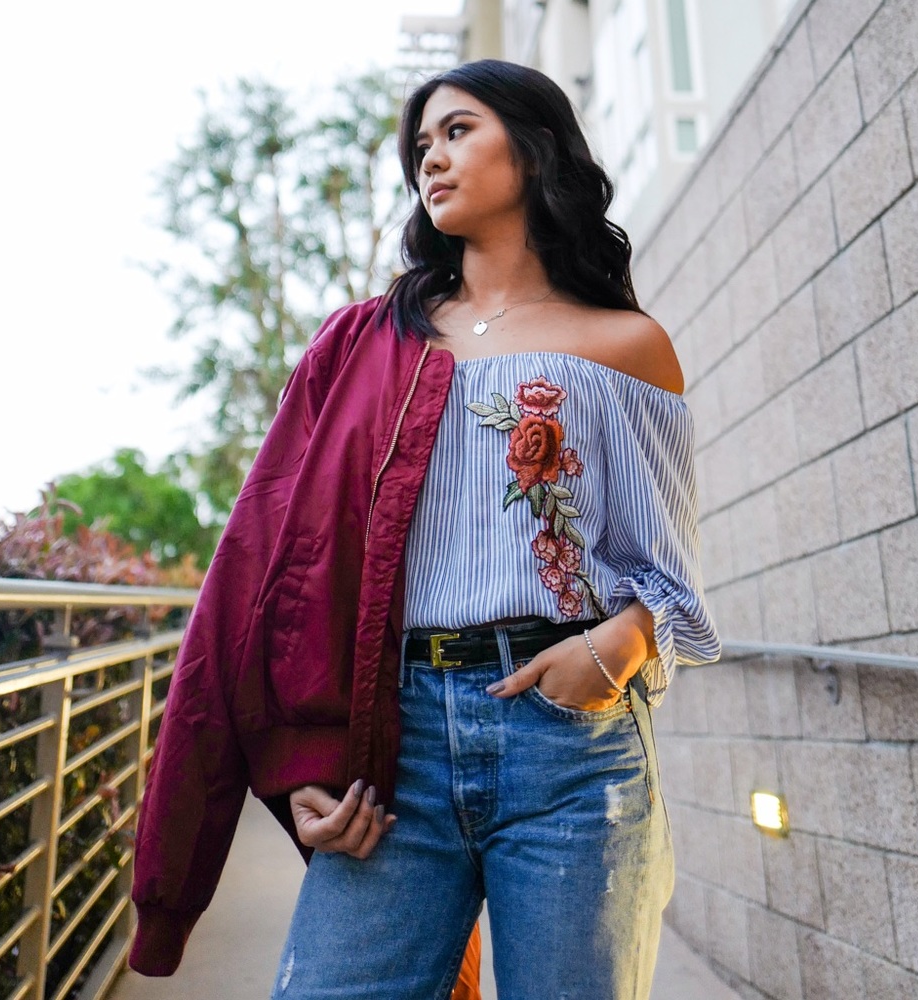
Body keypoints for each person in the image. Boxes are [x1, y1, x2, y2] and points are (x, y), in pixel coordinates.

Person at [128, 59, 720, 1000]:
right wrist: (299, 766)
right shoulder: (366, 343)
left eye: (457, 132)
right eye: (420, 147)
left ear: (533, 146)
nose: (429, 160)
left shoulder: (624, 345)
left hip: (571, 743)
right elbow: (280, 570)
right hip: (393, 754)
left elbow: (669, 577)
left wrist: (609, 651)